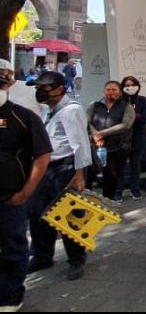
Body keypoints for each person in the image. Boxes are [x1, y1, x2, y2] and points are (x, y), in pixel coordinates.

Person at [26, 70, 91, 282]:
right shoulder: (47, 110)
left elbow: (80, 143)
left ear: (60, 89)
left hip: (66, 169)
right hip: (45, 168)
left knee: (68, 216)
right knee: (37, 214)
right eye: (38, 89)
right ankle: (42, 255)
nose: (40, 92)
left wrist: (80, 174)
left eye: (44, 89)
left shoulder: (71, 110)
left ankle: (76, 259)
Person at [0, 60, 52, 311]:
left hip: (10, 197)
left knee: (12, 245)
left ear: (10, 82)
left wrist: (25, 192)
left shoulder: (23, 117)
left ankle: (11, 295)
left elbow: (42, 155)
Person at [86, 81, 135, 201]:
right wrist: (95, 135)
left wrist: (102, 133)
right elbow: (86, 121)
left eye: (114, 90)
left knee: (111, 178)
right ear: (104, 91)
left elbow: (125, 125)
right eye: (108, 90)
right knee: (88, 175)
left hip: (117, 147)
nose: (111, 92)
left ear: (119, 92)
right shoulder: (95, 105)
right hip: (95, 146)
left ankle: (108, 204)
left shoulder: (126, 107)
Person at [118, 76, 146, 202]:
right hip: (121, 138)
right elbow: (118, 117)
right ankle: (118, 191)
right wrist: (133, 116)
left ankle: (135, 189)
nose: (129, 87)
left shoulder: (142, 101)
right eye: (127, 85)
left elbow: (145, 118)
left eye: (132, 85)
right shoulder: (120, 101)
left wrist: (132, 117)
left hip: (138, 136)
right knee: (120, 166)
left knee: (135, 165)